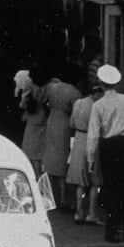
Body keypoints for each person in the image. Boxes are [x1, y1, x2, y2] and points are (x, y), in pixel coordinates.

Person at [86, 64, 124, 243]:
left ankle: (111, 233)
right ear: (117, 82)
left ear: (100, 83)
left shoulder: (98, 105)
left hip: (108, 146)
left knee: (111, 190)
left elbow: (93, 135)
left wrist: (91, 159)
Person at [40, 66, 81, 207]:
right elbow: (76, 112)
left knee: (51, 158)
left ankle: (52, 196)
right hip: (65, 123)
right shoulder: (74, 92)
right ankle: (64, 198)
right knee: (63, 161)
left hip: (52, 120)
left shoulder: (52, 88)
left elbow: (45, 102)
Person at [66, 76, 103, 225]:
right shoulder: (96, 106)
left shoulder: (78, 103)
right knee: (95, 181)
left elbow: (72, 123)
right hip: (92, 140)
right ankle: (91, 214)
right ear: (96, 93)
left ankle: (78, 213)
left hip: (78, 139)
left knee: (80, 181)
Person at [17, 69, 48, 175]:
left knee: (30, 151)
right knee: (41, 150)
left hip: (32, 117)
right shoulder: (48, 84)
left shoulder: (29, 83)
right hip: (43, 117)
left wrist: (22, 105)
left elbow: (24, 101)